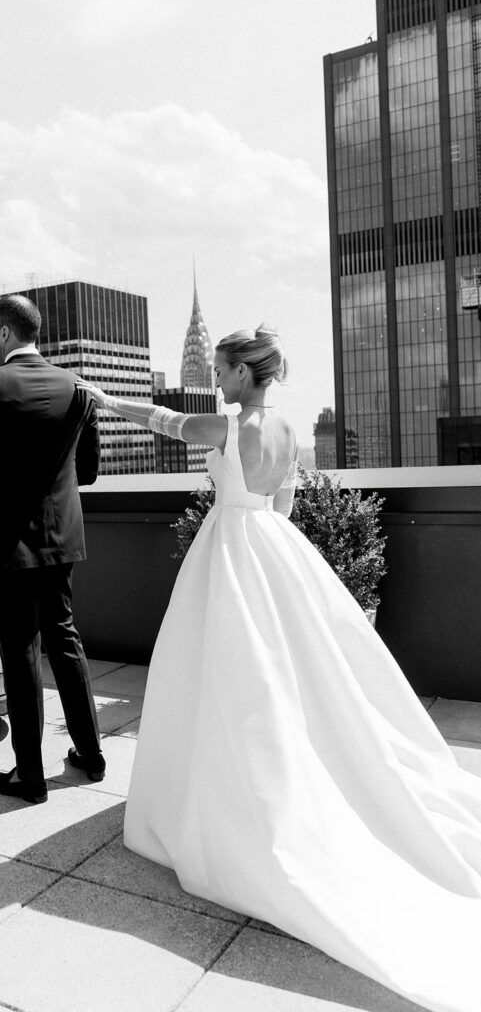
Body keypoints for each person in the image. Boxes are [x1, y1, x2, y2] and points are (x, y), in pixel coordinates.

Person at [79, 325, 481, 1012]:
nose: (218, 380)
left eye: (224, 370)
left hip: (231, 547)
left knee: (225, 675)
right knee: (292, 674)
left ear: (241, 373)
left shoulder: (226, 426)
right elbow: (287, 504)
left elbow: (157, 420)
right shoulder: (291, 430)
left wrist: (99, 397)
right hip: (275, 546)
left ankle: (230, 798)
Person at [0, 294, 105, 805]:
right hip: (61, 539)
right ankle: (91, 755)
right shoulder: (78, 388)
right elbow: (88, 472)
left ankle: (29, 776)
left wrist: (6, 479)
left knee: (19, 651)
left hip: (7, 543)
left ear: (7, 334)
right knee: (64, 639)